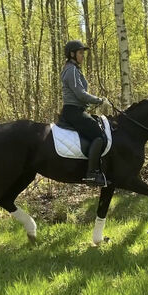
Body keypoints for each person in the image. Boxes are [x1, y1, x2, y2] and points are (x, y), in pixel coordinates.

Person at [59, 40, 111, 187]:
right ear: (72, 54)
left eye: (83, 53)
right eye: (80, 53)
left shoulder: (73, 69)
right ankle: (91, 174)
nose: (83, 56)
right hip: (73, 111)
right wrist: (100, 101)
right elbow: (81, 94)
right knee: (99, 135)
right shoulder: (71, 70)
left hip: (77, 109)